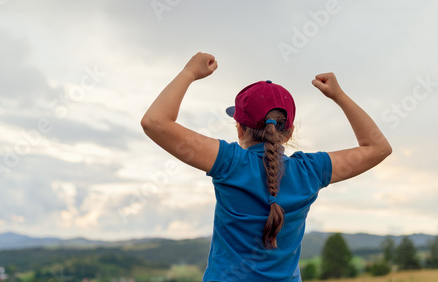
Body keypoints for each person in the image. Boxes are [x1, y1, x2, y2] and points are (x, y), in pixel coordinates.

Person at [141, 52, 392, 281]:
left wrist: (189, 72)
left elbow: (155, 122)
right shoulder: (310, 171)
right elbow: (378, 148)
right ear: (289, 132)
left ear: (239, 127)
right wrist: (339, 96)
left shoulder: (229, 162)